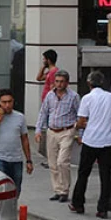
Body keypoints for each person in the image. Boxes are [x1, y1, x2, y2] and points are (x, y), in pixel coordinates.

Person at [70, 71, 111, 218]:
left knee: (83, 173)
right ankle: (103, 207)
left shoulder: (87, 98)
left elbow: (82, 120)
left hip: (90, 140)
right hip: (108, 140)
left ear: (89, 83)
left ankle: (78, 203)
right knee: (105, 175)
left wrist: (77, 127)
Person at [35, 69, 80, 203]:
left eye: (61, 82)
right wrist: (38, 130)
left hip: (67, 131)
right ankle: (57, 190)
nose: (59, 84)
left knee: (62, 162)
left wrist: (81, 134)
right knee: (53, 163)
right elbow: (43, 112)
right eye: (57, 81)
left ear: (67, 83)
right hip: (52, 131)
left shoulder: (73, 96)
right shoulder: (50, 95)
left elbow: (81, 115)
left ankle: (65, 191)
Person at [0, 88, 33, 195]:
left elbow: (24, 139)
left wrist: (29, 160)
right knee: (1, 187)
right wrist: (0, 118)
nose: (7, 105)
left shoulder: (20, 117)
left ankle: (13, 207)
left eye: (9, 102)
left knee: (16, 187)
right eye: (4, 102)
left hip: (16, 159)